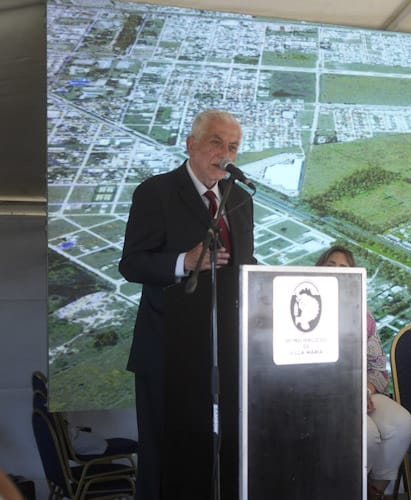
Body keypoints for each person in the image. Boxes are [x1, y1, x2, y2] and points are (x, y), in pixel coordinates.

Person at [119, 109, 256, 500]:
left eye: (233, 147)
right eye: (216, 142)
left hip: (225, 354)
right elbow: (132, 264)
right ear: (191, 144)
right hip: (167, 352)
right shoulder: (156, 192)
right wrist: (184, 262)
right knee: (167, 462)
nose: (225, 154)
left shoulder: (240, 199)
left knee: (221, 456)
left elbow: (245, 264)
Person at [316, 245, 411, 500]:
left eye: (344, 268)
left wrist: (366, 390)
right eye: (331, 266)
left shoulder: (363, 314)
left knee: (402, 423)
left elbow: (378, 369)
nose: (338, 272)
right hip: (324, 398)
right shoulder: (304, 306)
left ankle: (375, 492)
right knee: (367, 435)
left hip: (363, 392)